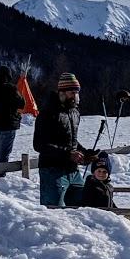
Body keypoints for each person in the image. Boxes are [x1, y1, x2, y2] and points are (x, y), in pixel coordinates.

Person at [33, 73, 86, 207]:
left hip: (73, 170)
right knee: (54, 213)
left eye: (76, 92)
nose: (74, 96)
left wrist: (86, 153)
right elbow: (39, 144)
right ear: (61, 92)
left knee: (82, 209)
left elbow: (71, 141)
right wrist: (68, 154)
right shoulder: (47, 113)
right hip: (52, 170)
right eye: (71, 92)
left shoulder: (74, 112)